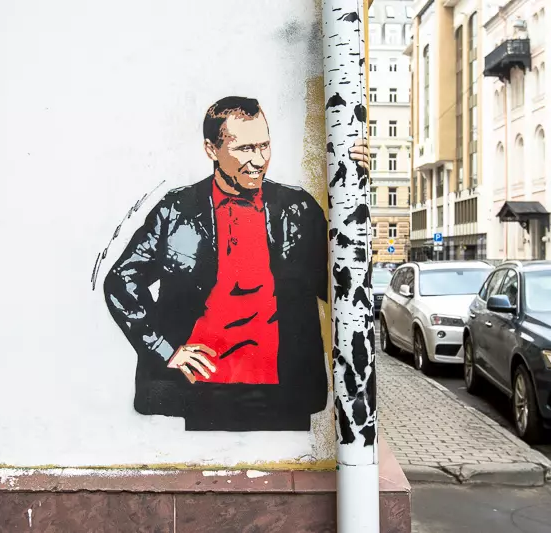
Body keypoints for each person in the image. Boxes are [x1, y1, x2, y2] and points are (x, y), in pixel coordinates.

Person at [104, 96, 369, 431]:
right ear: (211, 149)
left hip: (283, 391)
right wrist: (165, 349)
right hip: (196, 391)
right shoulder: (177, 210)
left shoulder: (297, 208)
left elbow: (343, 285)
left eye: (264, 146)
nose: (258, 160)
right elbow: (121, 281)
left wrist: (355, 191)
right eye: (244, 148)